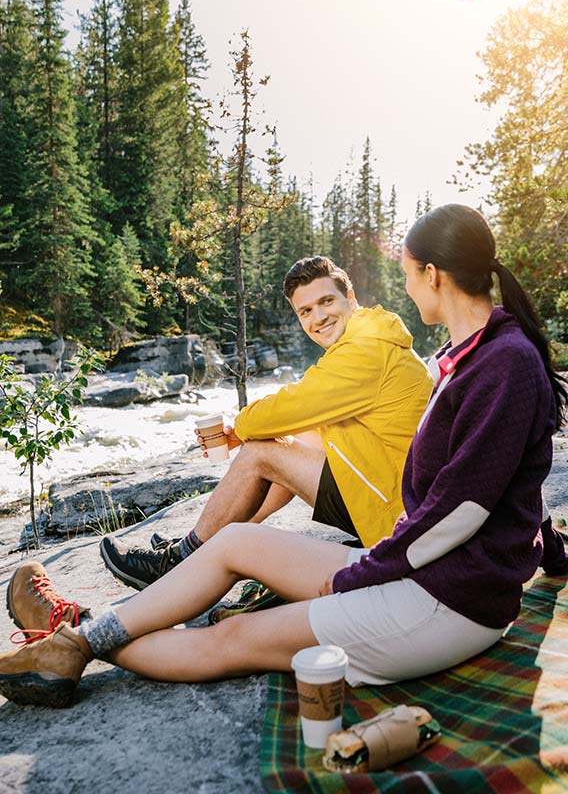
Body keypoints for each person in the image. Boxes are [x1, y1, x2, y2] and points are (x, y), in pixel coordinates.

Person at [1, 203, 567, 709]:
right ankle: (86, 633)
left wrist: (362, 574)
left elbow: (462, 507)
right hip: (423, 572)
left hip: (448, 600)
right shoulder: (471, 356)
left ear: (432, 275)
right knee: (235, 542)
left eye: (406, 276)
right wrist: (552, 546)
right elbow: (511, 474)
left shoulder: (502, 363)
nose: (408, 290)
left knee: (233, 640)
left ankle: (71, 634)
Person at [99, 256, 432, 592]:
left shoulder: (365, 349)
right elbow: (299, 415)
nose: (318, 317)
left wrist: (240, 429)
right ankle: (211, 541)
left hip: (394, 511)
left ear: (351, 296)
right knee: (286, 438)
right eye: (305, 311)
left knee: (261, 452)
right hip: (391, 483)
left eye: (326, 301)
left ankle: (180, 561)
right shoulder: (370, 336)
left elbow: (293, 403)